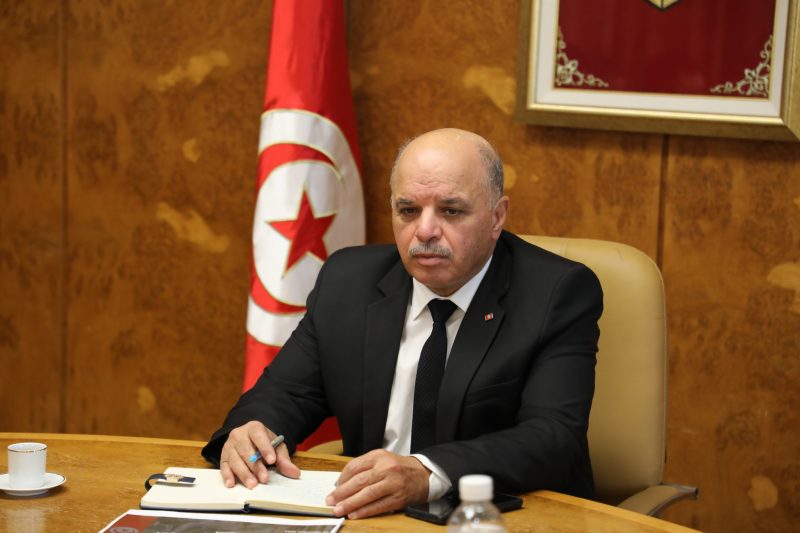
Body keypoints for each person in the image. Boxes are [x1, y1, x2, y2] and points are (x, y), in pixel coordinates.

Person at [201, 128, 603, 519]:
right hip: (368, 516)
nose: (424, 231)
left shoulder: (556, 293)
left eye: (451, 210)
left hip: (499, 517)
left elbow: (552, 438)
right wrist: (253, 430)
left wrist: (428, 473)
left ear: (497, 216)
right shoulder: (348, 281)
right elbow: (288, 392)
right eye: (408, 210)